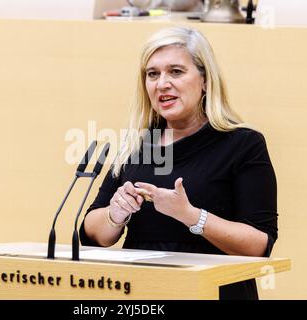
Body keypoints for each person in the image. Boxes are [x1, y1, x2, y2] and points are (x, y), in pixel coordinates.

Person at [79, 26, 277, 300]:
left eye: (176, 71)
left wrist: (191, 216)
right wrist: (114, 214)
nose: (162, 83)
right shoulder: (137, 146)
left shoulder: (243, 144)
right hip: (142, 296)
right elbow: (91, 234)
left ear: (205, 79)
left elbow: (259, 245)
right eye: (153, 74)